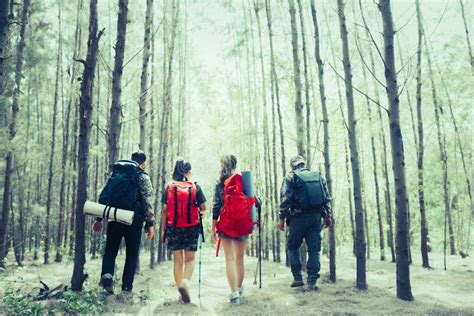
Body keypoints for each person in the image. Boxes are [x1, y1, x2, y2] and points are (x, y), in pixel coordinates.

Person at [92, 151, 155, 294]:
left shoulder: (117, 173)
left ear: (131, 160)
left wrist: (99, 219)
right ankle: (127, 287)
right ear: (143, 163)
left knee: (110, 251)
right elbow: (147, 201)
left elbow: (104, 195)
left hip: (115, 217)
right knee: (132, 255)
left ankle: (107, 275)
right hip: (134, 220)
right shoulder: (142, 176)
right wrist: (150, 224)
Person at [277, 155, 332, 290]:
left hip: (297, 218)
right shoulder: (318, 175)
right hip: (316, 218)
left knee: (292, 247)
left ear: (292, 165)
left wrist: (281, 218)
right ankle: (312, 281)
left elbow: (286, 199)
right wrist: (328, 216)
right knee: (314, 250)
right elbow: (327, 198)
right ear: (303, 164)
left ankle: (297, 278)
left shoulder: (291, 177)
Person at [160, 158, 206, 304]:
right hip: (191, 227)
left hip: (173, 227)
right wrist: (199, 214)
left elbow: (164, 210)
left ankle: (180, 290)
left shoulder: (169, 187)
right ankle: (185, 284)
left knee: (177, 261)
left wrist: (163, 230)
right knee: (190, 259)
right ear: (188, 171)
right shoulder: (195, 187)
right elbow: (203, 208)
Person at [212, 154, 256, 305]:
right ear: (235, 165)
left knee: (229, 259)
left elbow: (216, 206)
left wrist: (213, 228)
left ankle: (234, 294)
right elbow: (253, 200)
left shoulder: (220, 183)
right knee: (240, 258)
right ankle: (239, 287)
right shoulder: (244, 180)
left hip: (226, 224)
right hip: (243, 223)